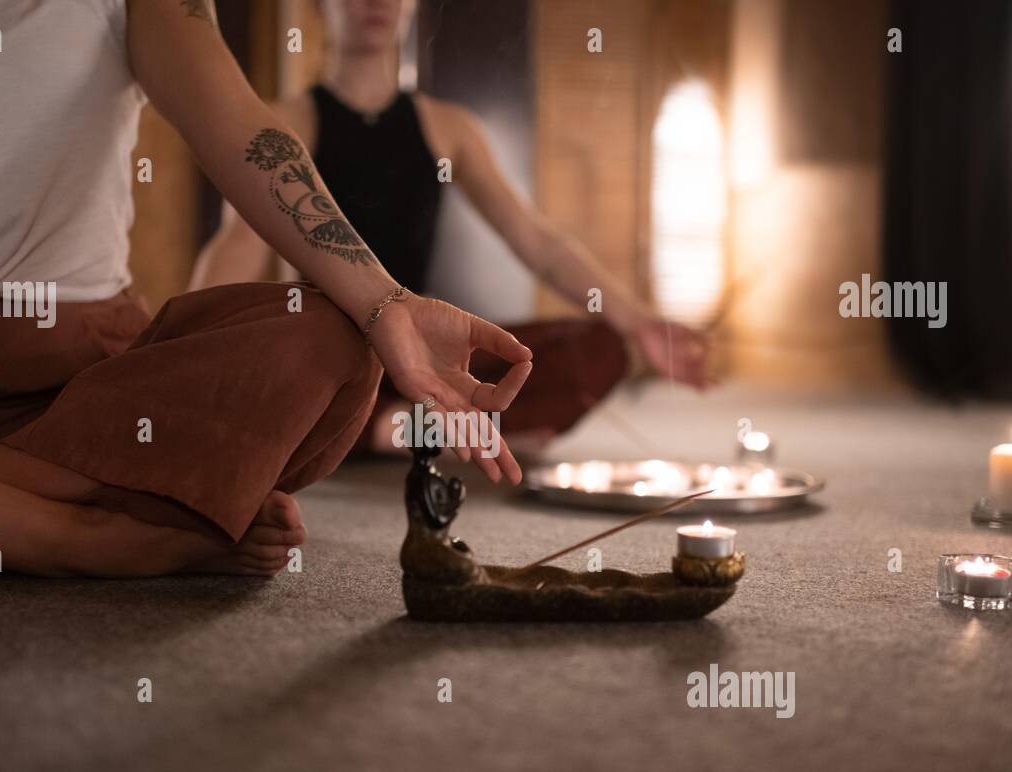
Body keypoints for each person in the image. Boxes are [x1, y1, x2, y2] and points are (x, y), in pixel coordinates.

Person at [0, 0, 532, 577]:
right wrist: (75, 533)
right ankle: (68, 533)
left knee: (332, 331)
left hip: (81, 391)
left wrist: (386, 304)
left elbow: (240, 127)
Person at [190, 0, 708, 450]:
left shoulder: (448, 128)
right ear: (322, 8)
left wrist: (640, 321)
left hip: (425, 350)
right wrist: (186, 348)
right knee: (274, 381)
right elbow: (237, 243)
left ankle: (403, 429)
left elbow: (536, 241)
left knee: (597, 349)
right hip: (328, 358)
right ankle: (411, 430)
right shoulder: (285, 123)